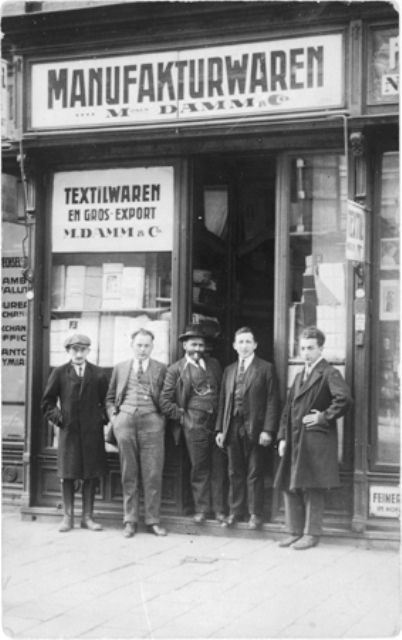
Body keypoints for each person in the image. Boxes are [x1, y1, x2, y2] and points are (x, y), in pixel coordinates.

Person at [274, 326, 353, 550]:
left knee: (312, 486)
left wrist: (323, 417)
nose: (305, 353)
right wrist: (282, 437)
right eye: (302, 348)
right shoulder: (300, 375)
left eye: (310, 348)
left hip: (315, 440)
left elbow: (344, 399)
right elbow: (287, 409)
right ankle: (293, 531)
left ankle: (311, 533)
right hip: (294, 439)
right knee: (290, 483)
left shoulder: (329, 373)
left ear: (321, 348)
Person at [41, 333, 108, 533]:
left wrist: (100, 419)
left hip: (92, 433)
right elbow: (47, 403)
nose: (78, 354)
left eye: (82, 350)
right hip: (69, 432)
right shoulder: (60, 373)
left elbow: (107, 401)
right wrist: (61, 419)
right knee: (68, 474)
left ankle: (87, 517)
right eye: (74, 350)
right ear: (68, 351)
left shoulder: (98, 373)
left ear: (89, 351)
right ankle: (67, 517)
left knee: (91, 474)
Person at [160, 324, 226, 524]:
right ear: (185, 346)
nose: (198, 349)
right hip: (193, 425)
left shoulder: (214, 364)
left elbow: (223, 394)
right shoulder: (176, 369)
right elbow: (164, 401)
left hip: (216, 424)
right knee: (200, 468)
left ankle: (220, 510)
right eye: (193, 345)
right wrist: (183, 418)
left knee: (219, 467)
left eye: (201, 345)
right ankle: (202, 509)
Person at [106, 328, 168, 538]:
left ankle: (153, 520)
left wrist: (160, 419)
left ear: (152, 346)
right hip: (125, 423)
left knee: (152, 473)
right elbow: (110, 397)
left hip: (152, 423)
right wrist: (115, 420)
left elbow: (169, 398)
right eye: (139, 345)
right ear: (132, 346)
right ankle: (130, 521)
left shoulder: (161, 369)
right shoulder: (120, 368)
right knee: (128, 472)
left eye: (146, 345)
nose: (142, 349)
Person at [215, 326, 279, 530]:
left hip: (256, 429)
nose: (244, 346)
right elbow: (223, 400)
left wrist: (268, 430)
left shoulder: (265, 368)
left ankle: (255, 514)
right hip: (232, 427)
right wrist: (220, 429)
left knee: (254, 472)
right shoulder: (229, 370)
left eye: (248, 342)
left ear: (255, 345)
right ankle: (235, 512)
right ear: (234, 345)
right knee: (234, 471)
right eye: (240, 342)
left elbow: (272, 401)